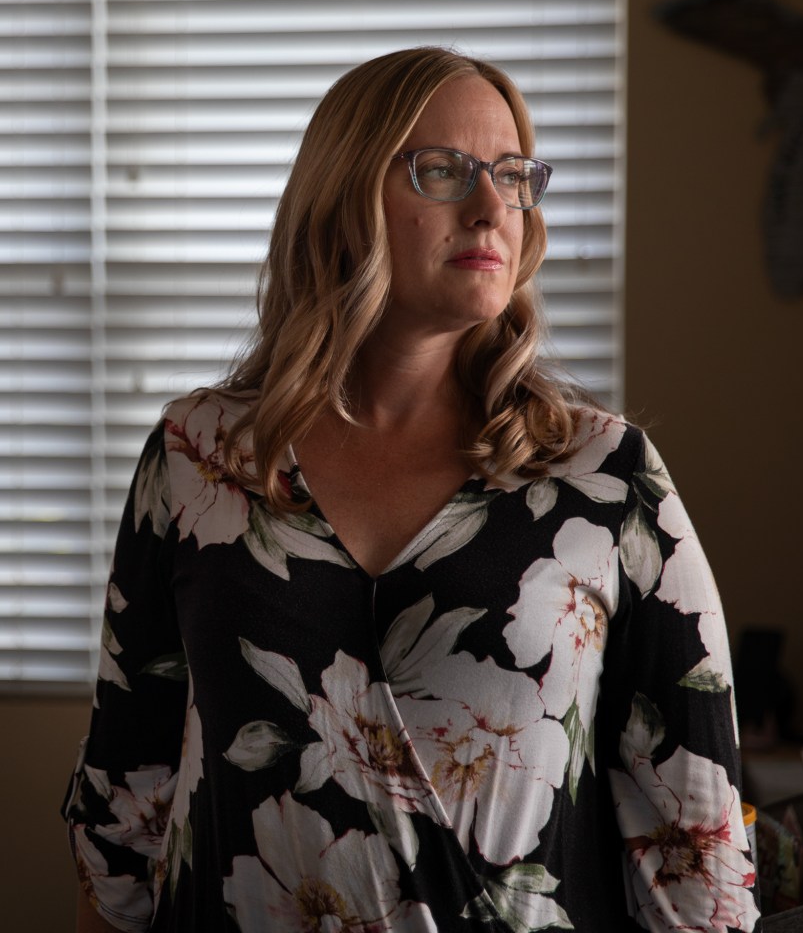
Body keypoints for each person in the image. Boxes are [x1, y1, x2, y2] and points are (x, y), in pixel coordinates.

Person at [63, 46, 760, 933]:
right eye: (442, 171)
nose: (489, 209)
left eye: (512, 176)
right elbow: (125, 806)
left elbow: (694, 838)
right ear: (342, 196)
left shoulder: (603, 475)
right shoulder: (200, 456)